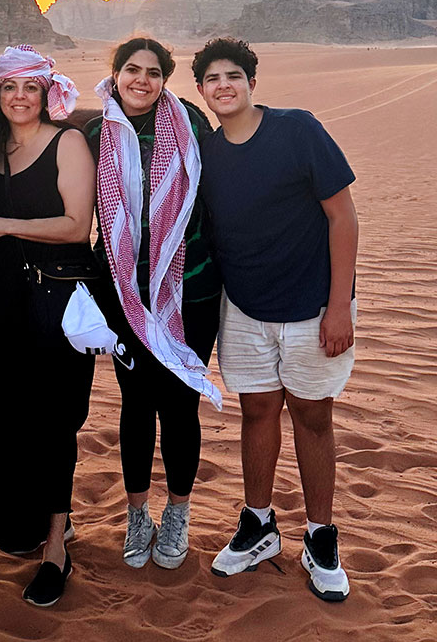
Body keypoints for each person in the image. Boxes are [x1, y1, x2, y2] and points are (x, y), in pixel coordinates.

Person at [192, 37, 358, 601]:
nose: (224, 86)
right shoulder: (207, 153)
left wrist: (339, 307)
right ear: (201, 91)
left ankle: (320, 536)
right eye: (212, 79)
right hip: (243, 306)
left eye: (233, 76)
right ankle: (258, 524)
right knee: (257, 410)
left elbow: (343, 216)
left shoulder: (297, 130)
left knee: (312, 416)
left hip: (313, 305)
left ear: (252, 82)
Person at [0, 45, 96, 606]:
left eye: (29, 88)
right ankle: (19, 523)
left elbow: (74, 224)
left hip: (57, 299)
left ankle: (57, 545)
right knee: (11, 407)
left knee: (54, 417)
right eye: (9, 87)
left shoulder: (68, 142)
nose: (19, 97)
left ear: (45, 92)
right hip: (3, 301)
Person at [84, 38, 222, 572]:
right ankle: (138, 513)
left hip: (193, 287)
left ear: (166, 77)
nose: (141, 80)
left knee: (180, 402)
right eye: (131, 70)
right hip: (121, 289)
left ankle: (180, 512)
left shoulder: (190, 123)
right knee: (136, 401)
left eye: (153, 72)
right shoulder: (95, 130)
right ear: (114, 73)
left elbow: (216, 195)